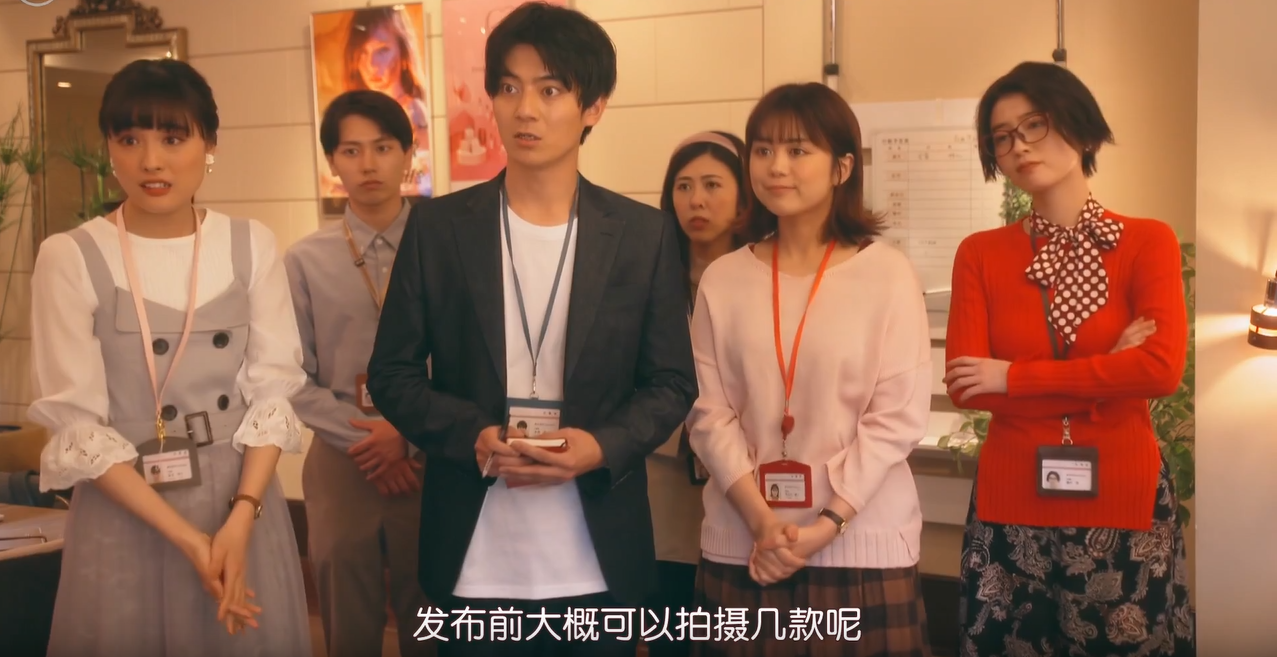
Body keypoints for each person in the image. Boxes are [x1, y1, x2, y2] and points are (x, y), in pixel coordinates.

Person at [365, 4, 696, 656]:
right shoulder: (439, 228)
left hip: (596, 559)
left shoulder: (641, 235)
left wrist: (599, 446)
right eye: (509, 88)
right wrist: (472, 434)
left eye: (549, 90)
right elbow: (393, 373)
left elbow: (671, 383)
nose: (525, 110)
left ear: (593, 106)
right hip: (473, 556)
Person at [27, 58, 312, 655]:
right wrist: (187, 539)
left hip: (239, 503)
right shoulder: (70, 256)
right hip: (126, 508)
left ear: (210, 145)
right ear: (109, 148)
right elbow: (78, 427)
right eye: (130, 139)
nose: (151, 161)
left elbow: (272, 394)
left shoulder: (250, 244)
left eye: (173, 139)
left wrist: (241, 517)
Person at [944, 61, 1194, 656]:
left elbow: (1160, 370)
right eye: (1002, 136)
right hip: (1009, 496)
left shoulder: (1147, 241)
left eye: (1035, 125)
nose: (1019, 146)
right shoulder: (980, 253)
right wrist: (1111, 371)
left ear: (1081, 128)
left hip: (1124, 492)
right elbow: (967, 386)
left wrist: (1014, 377)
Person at [686, 81, 933, 657]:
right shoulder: (723, 278)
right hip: (744, 543)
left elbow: (895, 420)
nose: (776, 166)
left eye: (798, 150)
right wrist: (761, 521)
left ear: (842, 167)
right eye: (763, 149)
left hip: (863, 546)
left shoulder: (888, 274)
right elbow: (708, 413)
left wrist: (827, 525)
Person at [284, 90, 433, 657]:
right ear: (332, 161)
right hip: (343, 462)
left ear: (408, 155)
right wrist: (368, 441)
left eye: (383, 147)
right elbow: (290, 377)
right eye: (351, 150)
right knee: (347, 621)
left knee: (433, 619)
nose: (368, 164)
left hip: (428, 458)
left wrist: (407, 435)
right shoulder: (304, 260)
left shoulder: (444, 247)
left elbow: (470, 364)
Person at [645, 129, 747, 657]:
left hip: (745, 476)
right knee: (671, 622)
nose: (696, 200)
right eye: (683, 187)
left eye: (712, 184)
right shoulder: (649, 276)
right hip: (666, 475)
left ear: (744, 196)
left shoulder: (762, 273)